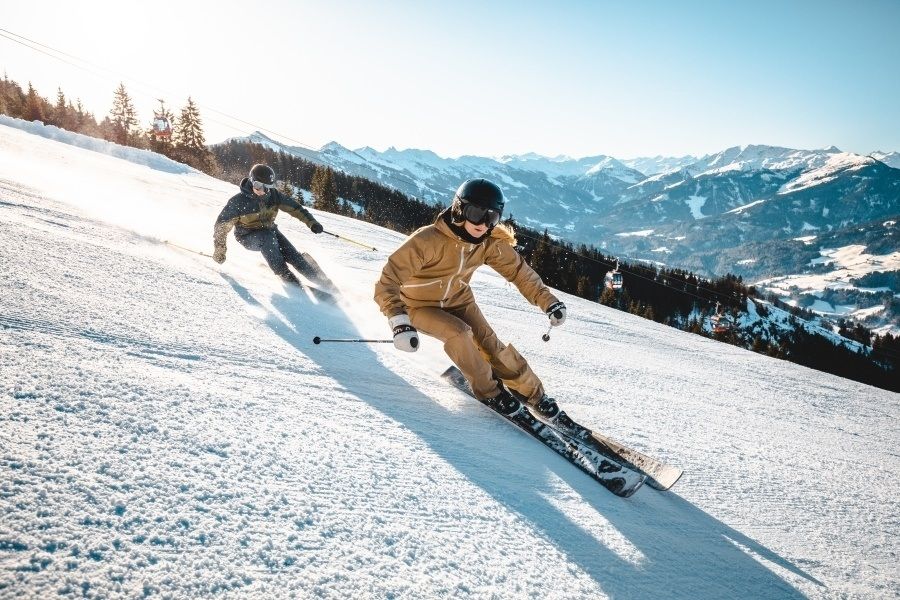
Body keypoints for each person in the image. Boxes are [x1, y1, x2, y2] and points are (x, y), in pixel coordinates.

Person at [374, 178, 573, 427]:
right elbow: (387, 281)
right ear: (459, 209)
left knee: (491, 344)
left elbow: (520, 273)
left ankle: (534, 394)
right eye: (476, 213)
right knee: (460, 333)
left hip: (458, 300)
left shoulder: (487, 243)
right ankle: (491, 393)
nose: (482, 224)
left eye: (491, 217)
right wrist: (399, 321)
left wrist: (549, 302)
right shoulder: (428, 240)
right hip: (417, 305)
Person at [213, 164, 329, 289]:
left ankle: (322, 281)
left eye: (267, 187)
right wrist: (220, 250)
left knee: (293, 255)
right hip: (246, 236)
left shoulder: (274, 196)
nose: (262, 191)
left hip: (270, 230)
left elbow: (296, 209)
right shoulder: (238, 202)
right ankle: (284, 274)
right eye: (258, 186)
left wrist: (312, 223)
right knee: (267, 239)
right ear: (251, 182)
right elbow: (221, 227)